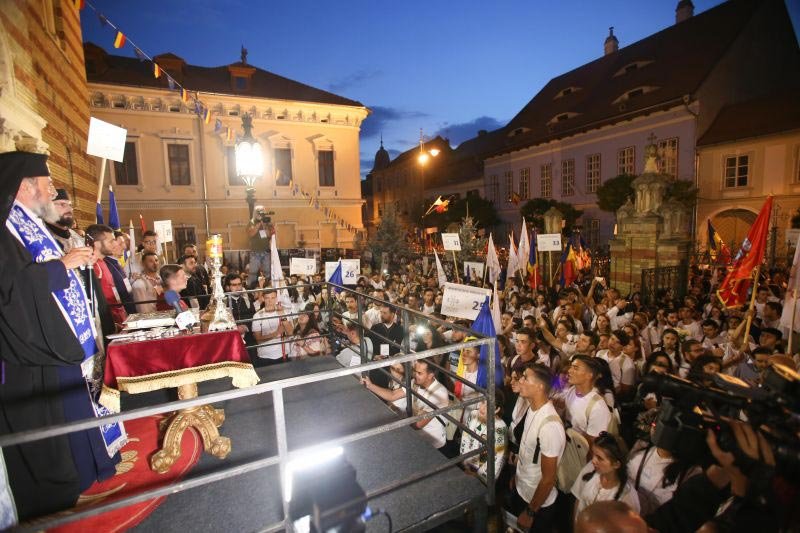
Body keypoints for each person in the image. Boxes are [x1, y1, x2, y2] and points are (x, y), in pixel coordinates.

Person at [0, 152, 123, 523]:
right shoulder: (6, 227)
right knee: (40, 433)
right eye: (46, 183)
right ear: (25, 187)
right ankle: (50, 502)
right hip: (26, 353)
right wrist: (62, 266)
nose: (51, 190)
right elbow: (10, 289)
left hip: (50, 344)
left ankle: (69, 488)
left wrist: (68, 263)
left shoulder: (28, 224)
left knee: (60, 423)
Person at [506, 363, 566, 533]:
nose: (520, 380)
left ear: (540, 386)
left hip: (537, 504)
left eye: (525, 377)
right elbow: (527, 451)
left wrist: (531, 512)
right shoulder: (532, 408)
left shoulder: (550, 426)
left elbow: (548, 478)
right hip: (522, 488)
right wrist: (517, 478)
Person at [571, 432, 640, 520]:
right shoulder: (589, 471)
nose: (593, 461)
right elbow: (579, 500)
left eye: (600, 458)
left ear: (616, 464)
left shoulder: (627, 497)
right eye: (593, 454)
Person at [460, 388, 507, 483]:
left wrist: (478, 476)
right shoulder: (473, 414)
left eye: (488, 405)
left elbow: (497, 459)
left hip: (481, 475)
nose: (482, 408)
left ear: (497, 409)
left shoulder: (500, 429)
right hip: (466, 465)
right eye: (482, 402)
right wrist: (464, 463)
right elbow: (465, 439)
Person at [86, 223, 128, 327]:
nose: (115, 244)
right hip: (106, 322)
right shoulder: (92, 266)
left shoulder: (103, 262)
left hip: (118, 319)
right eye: (111, 241)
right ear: (97, 244)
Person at [251, 289, 293, 366]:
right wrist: (276, 333)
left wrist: (282, 315)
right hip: (265, 357)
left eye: (273, 298)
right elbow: (258, 339)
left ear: (276, 298)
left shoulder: (284, 312)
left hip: (283, 354)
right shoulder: (257, 315)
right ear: (263, 299)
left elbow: (290, 332)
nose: (270, 301)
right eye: (267, 298)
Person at [246, 205, 274, 289]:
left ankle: (268, 288)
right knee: (253, 272)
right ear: (255, 213)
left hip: (266, 252)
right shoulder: (252, 222)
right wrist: (259, 224)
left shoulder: (267, 222)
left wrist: (267, 225)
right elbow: (251, 233)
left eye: (262, 211)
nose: (260, 213)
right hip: (255, 252)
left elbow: (271, 234)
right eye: (258, 211)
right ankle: (250, 289)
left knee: (268, 272)